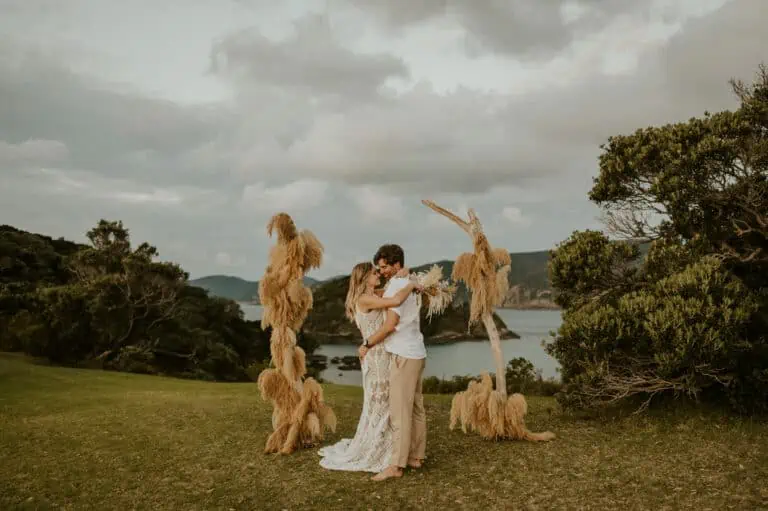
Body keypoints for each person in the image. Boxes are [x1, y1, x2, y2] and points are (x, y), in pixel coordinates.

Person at [318, 261, 420, 473]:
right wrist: (411, 284)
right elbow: (396, 298)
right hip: (376, 355)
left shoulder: (374, 295)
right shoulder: (363, 299)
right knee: (380, 401)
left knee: (386, 401)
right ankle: (381, 448)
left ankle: (391, 448)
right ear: (364, 277)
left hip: (383, 353)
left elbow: (392, 288)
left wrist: (403, 275)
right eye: (374, 273)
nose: (378, 275)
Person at [361, 244, 427, 482]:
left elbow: (389, 327)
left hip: (403, 355)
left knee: (400, 412)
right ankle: (416, 457)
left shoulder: (399, 285)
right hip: (417, 352)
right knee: (416, 407)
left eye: (385, 266)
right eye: (380, 268)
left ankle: (396, 466)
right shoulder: (406, 281)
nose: (383, 271)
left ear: (396, 264)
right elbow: (390, 294)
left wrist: (367, 344)